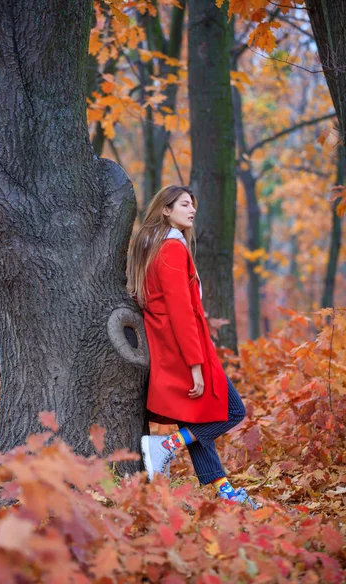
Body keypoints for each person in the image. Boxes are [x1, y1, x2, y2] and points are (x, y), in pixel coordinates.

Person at [128, 185, 260, 509]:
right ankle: (167, 445)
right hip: (183, 349)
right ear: (166, 210)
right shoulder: (171, 249)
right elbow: (181, 311)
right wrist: (196, 364)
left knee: (197, 423)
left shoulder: (155, 247)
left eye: (193, 205)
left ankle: (225, 493)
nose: (192, 210)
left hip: (171, 346)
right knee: (233, 410)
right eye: (184, 204)